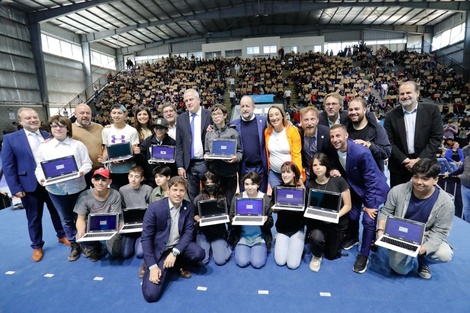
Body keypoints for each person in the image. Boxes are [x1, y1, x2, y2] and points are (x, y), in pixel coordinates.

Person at [2, 108, 66, 262]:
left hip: (50, 182)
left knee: (56, 212)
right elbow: (8, 166)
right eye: (28, 118)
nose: (33, 120)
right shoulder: (11, 139)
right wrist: (15, 188)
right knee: (34, 217)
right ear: (20, 121)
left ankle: (62, 235)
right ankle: (37, 245)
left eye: (35, 117)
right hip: (28, 185)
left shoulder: (47, 135)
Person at [377, 159, 454, 279]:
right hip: (400, 234)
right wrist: (380, 230)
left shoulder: (446, 202)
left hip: (425, 236)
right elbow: (386, 211)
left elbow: (440, 231)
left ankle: (423, 262)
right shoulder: (397, 190)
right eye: (416, 177)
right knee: (401, 270)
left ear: (436, 180)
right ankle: (405, 257)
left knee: (445, 254)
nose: (418, 182)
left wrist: (424, 249)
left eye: (425, 178)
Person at [329, 124, 389, 274]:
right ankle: (354, 237)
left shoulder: (361, 152)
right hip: (355, 187)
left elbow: (371, 181)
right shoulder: (335, 150)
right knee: (353, 215)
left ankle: (364, 254)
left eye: (338, 136)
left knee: (368, 221)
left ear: (346, 135)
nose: (335, 139)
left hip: (373, 189)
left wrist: (369, 205)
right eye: (332, 136)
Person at [34, 115, 92, 262]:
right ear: (50, 129)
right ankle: (74, 244)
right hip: (56, 189)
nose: (58, 128)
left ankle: (84, 242)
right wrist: (41, 179)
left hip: (77, 187)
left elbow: (87, 163)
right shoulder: (43, 148)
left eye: (61, 125)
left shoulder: (77, 145)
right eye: (54, 126)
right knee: (65, 219)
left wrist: (81, 172)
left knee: (81, 216)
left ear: (67, 128)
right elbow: (39, 168)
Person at [141, 176, 205, 303]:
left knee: (199, 253)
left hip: (177, 246)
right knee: (151, 295)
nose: (178, 194)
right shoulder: (154, 208)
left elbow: (188, 233)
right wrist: (153, 266)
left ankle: (173, 262)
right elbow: (146, 238)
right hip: (160, 250)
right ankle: (151, 264)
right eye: (175, 189)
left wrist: (175, 252)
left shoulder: (188, 207)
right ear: (168, 190)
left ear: (185, 192)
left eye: (182, 190)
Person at [384, 81, 443, 187]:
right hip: (400, 167)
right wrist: (406, 161)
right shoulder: (390, 116)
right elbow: (389, 142)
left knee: (426, 201)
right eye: (402, 94)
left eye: (408, 93)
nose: (405, 96)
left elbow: (436, 138)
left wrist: (419, 161)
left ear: (417, 93)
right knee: (400, 201)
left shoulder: (432, 110)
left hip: (426, 165)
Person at [305, 153, 351, 272]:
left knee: (331, 255)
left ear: (327, 166)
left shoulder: (339, 180)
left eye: (321, 164)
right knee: (316, 238)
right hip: (318, 222)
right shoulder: (310, 184)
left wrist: (334, 216)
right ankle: (316, 256)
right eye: (315, 165)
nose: (318, 167)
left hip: (336, 222)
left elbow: (348, 205)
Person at [74, 168, 122, 262]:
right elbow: (80, 219)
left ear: (109, 181)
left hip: (111, 224)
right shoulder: (84, 196)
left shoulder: (115, 194)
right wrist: (81, 231)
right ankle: (96, 245)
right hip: (93, 225)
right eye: (97, 179)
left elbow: (115, 217)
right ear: (92, 180)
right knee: (79, 236)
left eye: (104, 180)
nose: (100, 183)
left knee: (115, 254)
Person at [229, 172, 273, 269]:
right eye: (246, 184)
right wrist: (235, 220)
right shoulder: (238, 198)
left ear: (258, 185)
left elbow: (271, 223)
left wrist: (266, 221)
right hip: (242, 237)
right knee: (242, 262)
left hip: (259, 237)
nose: (249, 187)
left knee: (257, 263)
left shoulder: (265, 199)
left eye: (253, 184)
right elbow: (230, 220)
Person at [175, 88, 212, 202]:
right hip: (189, 165)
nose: (189, 103)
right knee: (192, 195)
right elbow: (179, 144)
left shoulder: (209, 115)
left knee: (210, 192)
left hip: (207, 163)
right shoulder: (181, 119)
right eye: (186, 101)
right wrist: (180, 166)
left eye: (191, 99)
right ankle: (194, 217)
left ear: (198, 100)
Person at [204, 104, 242, 205]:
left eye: (218, 114)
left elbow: (240, 152)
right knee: (216, 203)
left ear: (225, 116)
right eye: (214, 114)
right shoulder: (209, 133)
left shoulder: (233, 133)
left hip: (230, 174)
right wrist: (207, 157)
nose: (216, 116)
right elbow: (207, 151)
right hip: (215, 173)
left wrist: (236, 158)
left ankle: (229, 220)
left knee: (229, 202)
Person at [230, 95, 268, 193]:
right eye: (242, 106)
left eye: (247, 106)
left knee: (261, 196)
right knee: (246, 196)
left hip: (261, 167)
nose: (245, 109)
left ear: (254, 107)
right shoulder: (234, 125)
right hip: (244, 167)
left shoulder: (263, 121)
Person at [272, 162, 305, 269]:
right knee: (280, 261)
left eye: (288, 172)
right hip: (282, 228)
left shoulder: (302, 190)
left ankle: (299, 242)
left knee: (292, 264)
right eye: (283, 172)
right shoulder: (277, 189)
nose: (285, 175)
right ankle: (280, 239)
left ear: (294, 174)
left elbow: (306, 213)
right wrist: (276, 209)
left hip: (297, 229)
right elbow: (274, 209)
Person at [193, 171, 231, 266]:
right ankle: (209, 247)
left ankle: (223, 247)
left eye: (212, 182)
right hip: (203, 232)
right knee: (202, 261)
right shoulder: (198, 198)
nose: (210, 185)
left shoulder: (223, 198)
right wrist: (199, 220)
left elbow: (229, 214)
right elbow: (194, 214)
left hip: (218, 231)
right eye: (207, 183)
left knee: (220, 260)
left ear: (216, 183)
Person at [100, 104, 140, 189]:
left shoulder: (132, 131)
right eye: (114, 113)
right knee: (115, 194)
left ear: (125, 114)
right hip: (113, 170)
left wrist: (125, 158)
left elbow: (134, 149)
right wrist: (104, 159)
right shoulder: (106, 130)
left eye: (119, 113)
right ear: (110, 114)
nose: (116, 115)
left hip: (129, 170)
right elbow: (106, 148)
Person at [345, 97, 391, 172]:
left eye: (356, 109)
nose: (353, 112)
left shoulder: (376, 129)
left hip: (373, 176)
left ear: (364, 110)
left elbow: (386, 152)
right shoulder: (345, 129)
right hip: (351, 177)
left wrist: (368, 145)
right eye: (350, 110)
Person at [265, 105, 304, 190]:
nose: (274, 118)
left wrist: (298, 176)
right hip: (274, 173)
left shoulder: (292, 130)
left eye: (276, 114)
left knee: (290, 197)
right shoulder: (267, 132)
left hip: (290, 173)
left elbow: (297, 154)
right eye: (271, 116)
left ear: (282, 115)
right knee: (277, 196)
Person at [119, 165, 152, 259]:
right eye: (131, 176)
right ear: (128, 177)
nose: (133, 179)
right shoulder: (122, 190)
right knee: (125, 254)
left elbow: (152, 209)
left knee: (140, 254)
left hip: (143, 225)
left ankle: (141, 239)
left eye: (137, 177)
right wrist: (122, 223)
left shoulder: (148, 189)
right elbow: (120, 209)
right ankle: (131, 238)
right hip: (129, 225)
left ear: (142, 178)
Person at [72, 103, 103, 188]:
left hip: (98, 169)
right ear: (75, 114)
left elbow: (105, 145)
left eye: (88, 113)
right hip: (81, 171)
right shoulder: (69, 129)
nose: (85, 115)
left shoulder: (99, 127)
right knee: (83, 198)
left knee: (99, 196)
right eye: (82, 113)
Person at [138, 118, 176, 187]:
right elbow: (141, 158)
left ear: (166, 130)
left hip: (166, 178)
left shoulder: (172, 142)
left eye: (161, 128)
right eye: (156, 128)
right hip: (150, 178)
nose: (158, 130)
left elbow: (175, 159)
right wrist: (137, 153)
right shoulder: (147, 141)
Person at [297, 107, 331, 180]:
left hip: (325, 175)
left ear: (317, 120)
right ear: (301, 122)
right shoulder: (298, 132)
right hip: (307, 175)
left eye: (312, 119)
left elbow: (333, 156)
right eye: (306, 120)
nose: (309, 123)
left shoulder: (327, 133)